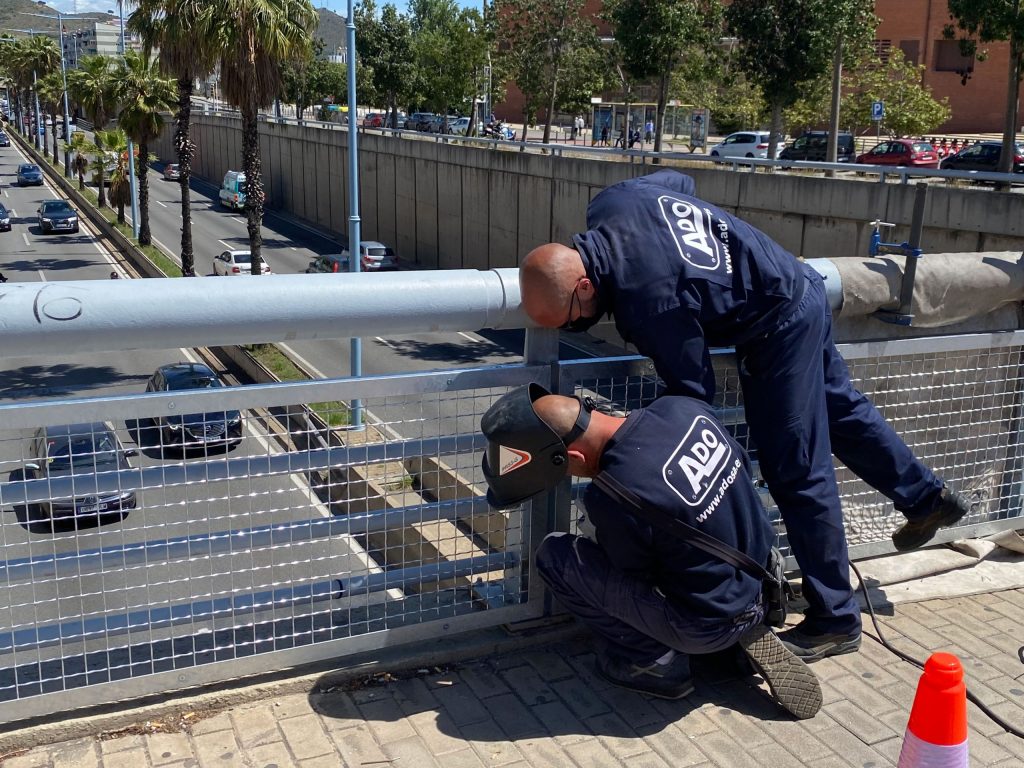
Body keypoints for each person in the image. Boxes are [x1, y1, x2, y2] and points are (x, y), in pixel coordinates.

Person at [518, 169, 971, 661]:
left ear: (584, 285)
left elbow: (691, 400)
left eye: (572, 317)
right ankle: (926, 498)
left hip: (777, 325)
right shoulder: (615, 201)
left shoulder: (649, 302)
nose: (581, 323)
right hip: (796, 282)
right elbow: (681, 183)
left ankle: (836, 618)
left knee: (795, 470)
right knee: (841, 412)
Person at [480, 384, 822, 719]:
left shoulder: (613, 493)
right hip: (759, 579)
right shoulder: (682, 409)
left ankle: (654, 662)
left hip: (706, 621)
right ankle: (734, 632)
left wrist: (604, 536)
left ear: (573, 457)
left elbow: (635, 576)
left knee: (556, 555)